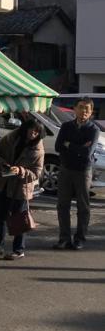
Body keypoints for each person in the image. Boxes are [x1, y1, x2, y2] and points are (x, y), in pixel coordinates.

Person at [0, 117, 45, 259]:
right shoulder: (11, 137)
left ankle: (18, 250)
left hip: (21, 187)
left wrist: (21, 171)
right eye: (32, 130)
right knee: (0, 217)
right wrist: (4, 164)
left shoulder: (38, 148)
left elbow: (37, 173)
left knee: (19, 219)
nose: (33, 134)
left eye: (37, 132)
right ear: (25, 128)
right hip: (4, 181)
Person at [54, 98, 100, 250]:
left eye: (87, 109)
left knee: (83, 206)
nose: (84, 111)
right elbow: (58, 146)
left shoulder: (93, 129)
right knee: (62, 205)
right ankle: (64, 238)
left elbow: (87, 153)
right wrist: (77, 147)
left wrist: (69, 145)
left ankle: (80, 238)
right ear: (74, 109)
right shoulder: (66, 126)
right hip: (66, 169)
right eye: (81, 107)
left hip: (83, 171)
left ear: (91, 112)